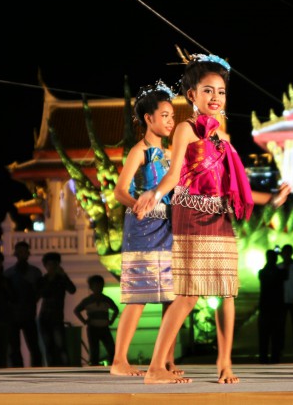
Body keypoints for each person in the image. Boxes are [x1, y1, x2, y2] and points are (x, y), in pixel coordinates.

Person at [132, 50, 290, 384]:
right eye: (208, 91)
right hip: (191, 216)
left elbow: (235, 187)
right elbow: (173, 175)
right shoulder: (186, 129)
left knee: (227, 292)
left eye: (221, 92)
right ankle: (156, 367)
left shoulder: (221, 138)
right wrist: (154, 194)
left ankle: (224, 364)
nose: (215, 97)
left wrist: (273, 198)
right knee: (188, 295)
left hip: (221, 218)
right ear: (192, 95)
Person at [109, 81, 180, 377]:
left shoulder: (171, 153)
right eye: (164, 115)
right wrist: (137, 205)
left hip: (169, 224)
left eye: (172, 116)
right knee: (139, 295)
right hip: (143, 227)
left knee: (172, 295)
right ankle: (119, 361)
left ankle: (166, 360)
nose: (170, 121)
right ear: (149, 118)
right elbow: (119, 190)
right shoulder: (140, 151)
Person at [5, 240, 43, 367]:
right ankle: (17, 370)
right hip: (13, 315)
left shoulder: (35, 272)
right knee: (14, 347)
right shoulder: (9, 273)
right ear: (15, 254)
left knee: (34, 346)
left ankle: (37, 370)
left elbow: (39, 292)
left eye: (24, 252)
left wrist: (31, 302)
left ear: (28, 254)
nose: (21, 254)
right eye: (19, 252)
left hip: (28, 314)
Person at [38, 251, 76, 366]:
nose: (52, 267)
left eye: (54, 264)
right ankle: (52, 369)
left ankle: (67, 369)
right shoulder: (43, 280)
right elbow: (42, 293)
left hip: (57, 317)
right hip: (45, 317)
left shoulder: (61, 279)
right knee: (48, 346)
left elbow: (72, 290)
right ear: (45, 266)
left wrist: (63, 275)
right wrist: (51, 280)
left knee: (61, 346)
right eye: (49, 264)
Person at [74, 274, 119, 366]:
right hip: (93, 328)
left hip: (104, 327)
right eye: (96, 286)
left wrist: (111, 321)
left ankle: (114, 365)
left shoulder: (106, 299)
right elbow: (77, 310)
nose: (98, 288)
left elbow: (116, 310)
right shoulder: (88, 300)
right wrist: (84, 321)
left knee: (111, 348)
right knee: (94, 350)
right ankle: (95, 366)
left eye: (100, 285)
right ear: (91, 287)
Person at [257, 248, 287, 363]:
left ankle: (263, 358)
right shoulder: (280, 272)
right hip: (277, 308)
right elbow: (286, 273)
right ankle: (275, 358)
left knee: (263, 337)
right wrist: (281, 256)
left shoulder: (262, 272)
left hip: (265, 307)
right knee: (276, 336)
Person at [278, 243, 293, 353]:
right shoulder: (278, 266)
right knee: (280, 325)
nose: (286, 254)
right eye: (284, 252)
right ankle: (280, 347)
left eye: (288, 252)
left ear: (291, 253)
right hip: (282, 300)